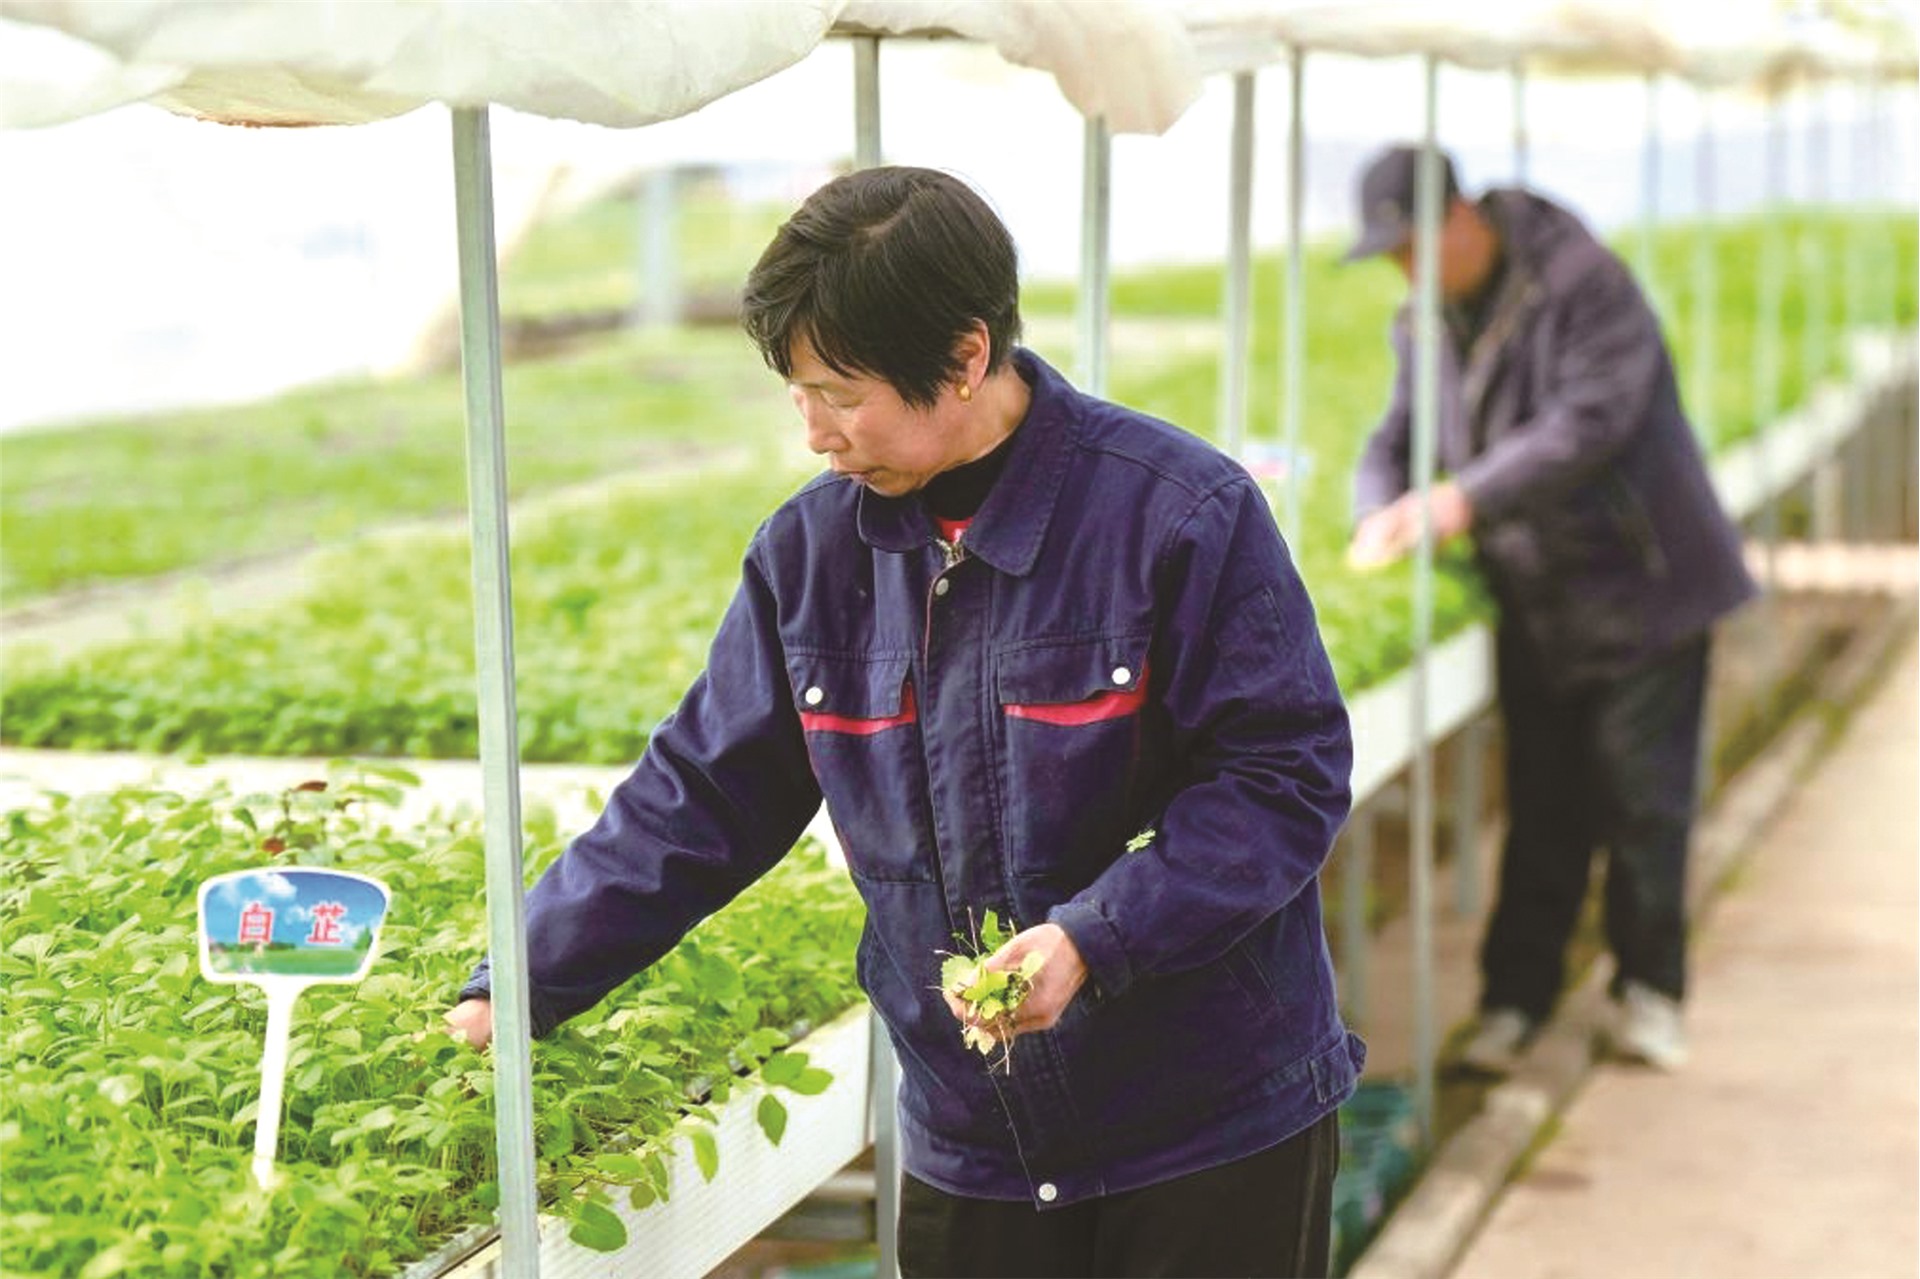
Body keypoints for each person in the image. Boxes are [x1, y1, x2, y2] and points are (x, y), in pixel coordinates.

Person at [447, 166, 1364, 1278]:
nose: (815, 434)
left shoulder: (1177, 514)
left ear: (967, 356)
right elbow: (703, 797)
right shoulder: (809, 558)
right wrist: (518, 982)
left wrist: (1094, 937)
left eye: (840, 393)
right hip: (974, 1134)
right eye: (797, 393)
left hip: (1205, 1122)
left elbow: (1282, 777)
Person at [1343, 144, 1757, 1075]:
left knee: (1644, 802)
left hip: (1644, 584)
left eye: (1409, 247)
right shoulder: (1426, 321)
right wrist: (1378, 508)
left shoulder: (1582, 282)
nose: (1404, 271)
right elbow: (1395, 435)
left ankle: (1650, 994)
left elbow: (1590, 422)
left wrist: (1461, 500)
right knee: (1542, 806)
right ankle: (1514, 1004)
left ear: (1457, 218)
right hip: (1539, 593)